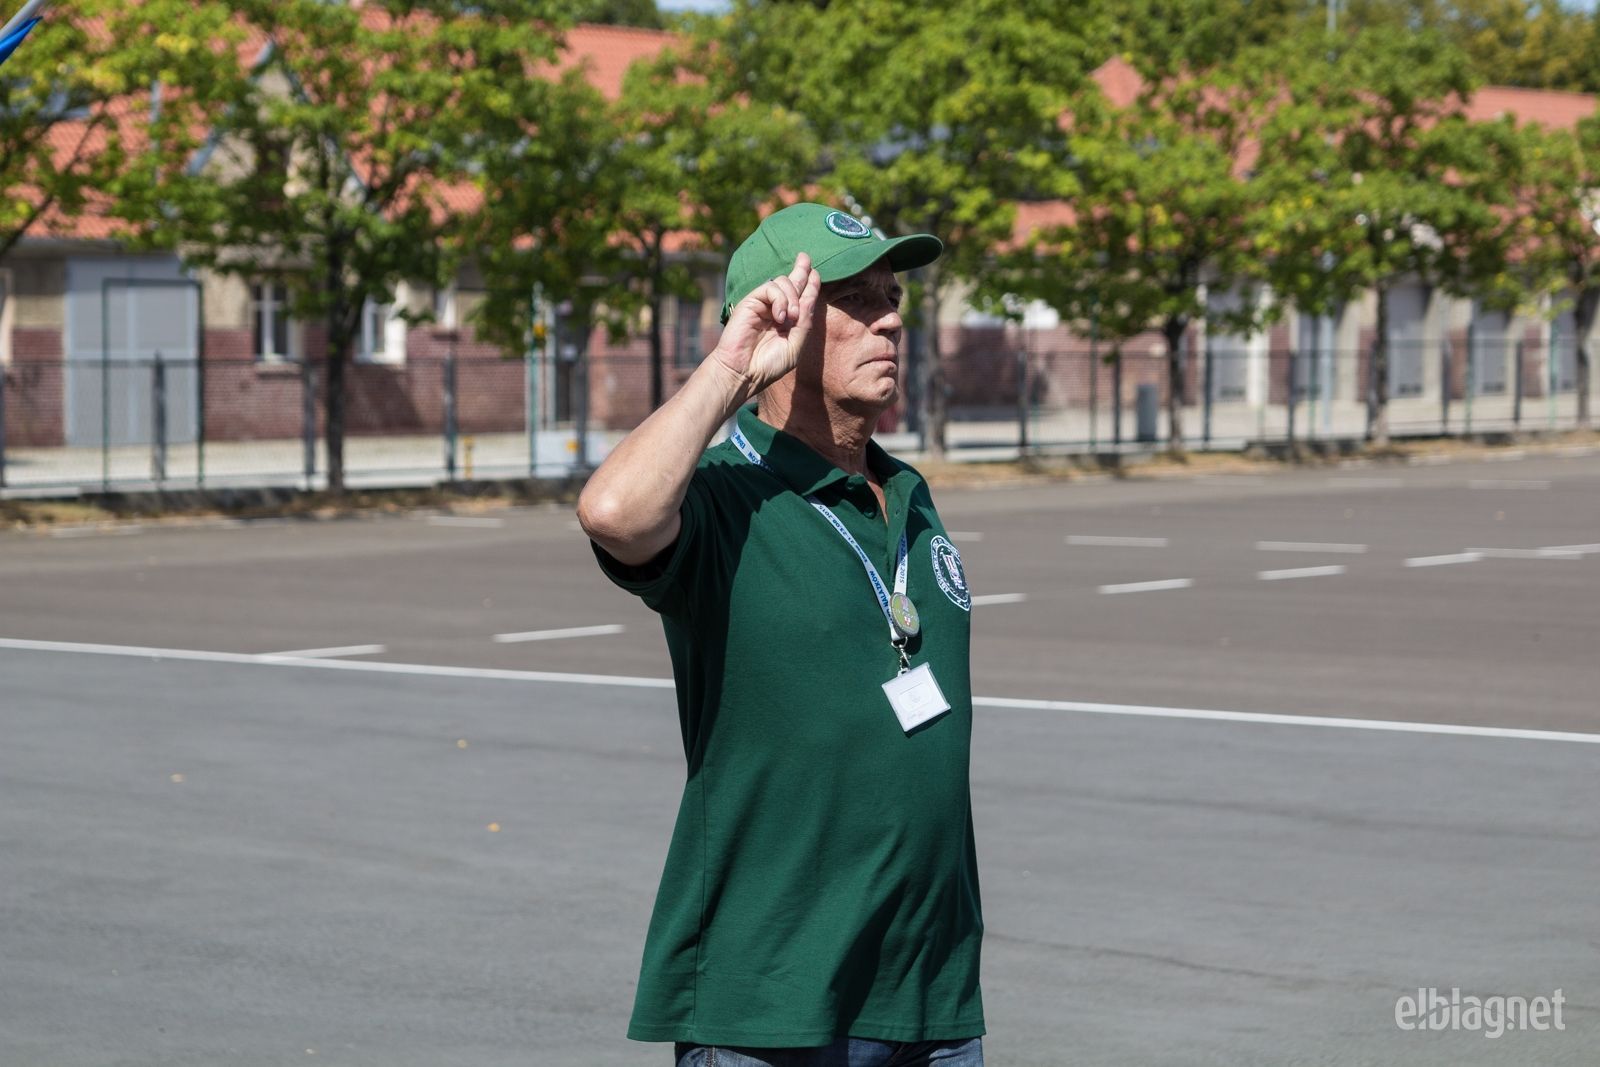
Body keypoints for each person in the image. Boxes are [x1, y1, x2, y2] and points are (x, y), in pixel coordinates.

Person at [577, 202, 985, 1067]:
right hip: (771, 1008)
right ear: (777, 320)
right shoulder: (724, 496)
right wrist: (730, 369)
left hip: (929, 1000)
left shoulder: (908, 494)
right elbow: (613, 511)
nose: (889, 319)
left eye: (891, 297)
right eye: (854, 300)